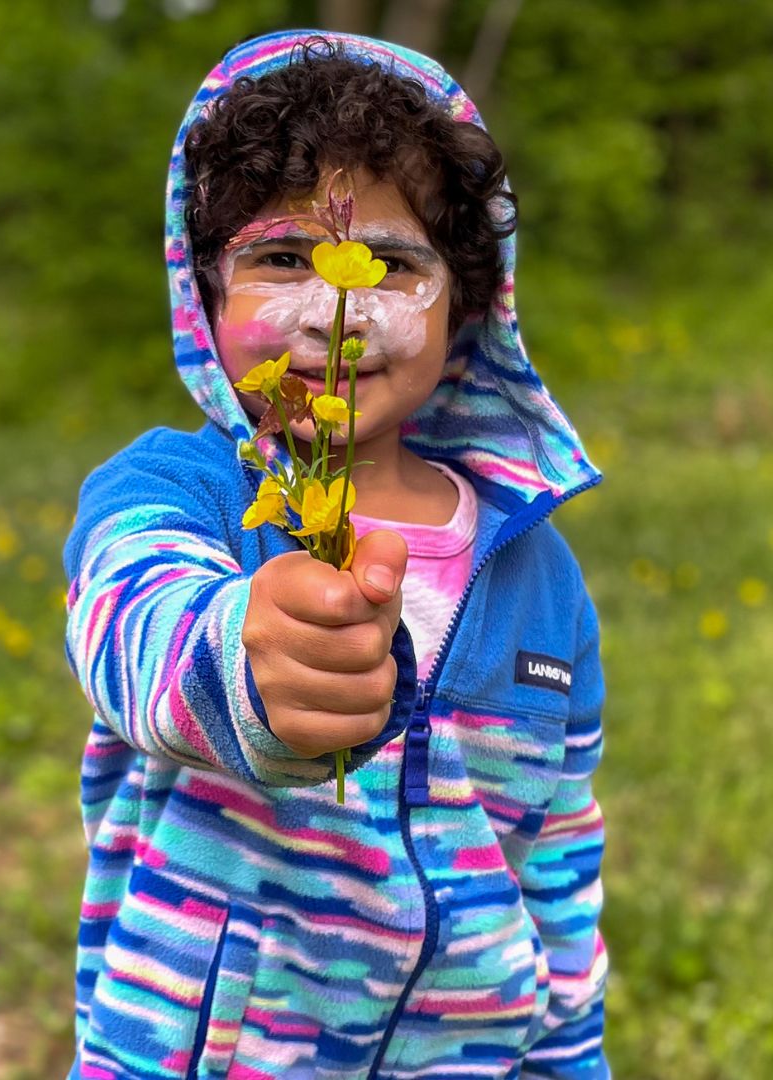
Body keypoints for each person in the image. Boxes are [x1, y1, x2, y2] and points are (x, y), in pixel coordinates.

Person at [62, 29, 609, 1080]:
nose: (332, 311)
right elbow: (133, 625)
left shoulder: (543, 582)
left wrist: (570, 1057)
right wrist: (242, 662)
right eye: (278, 259)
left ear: (467, 308)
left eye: (387, 266)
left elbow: (559, 861)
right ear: (206, 299)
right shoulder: (178, 494)